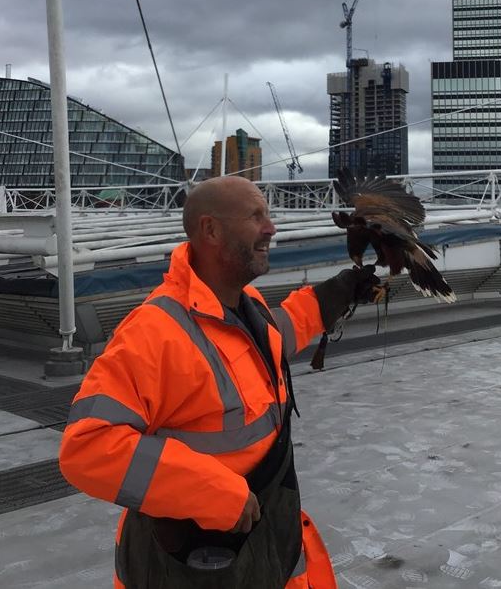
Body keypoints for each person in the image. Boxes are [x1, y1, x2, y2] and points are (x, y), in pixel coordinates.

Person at [59, 175, 380, 588]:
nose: (271, 227)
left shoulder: (246, 306)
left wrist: (333, 296)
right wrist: (215, 494)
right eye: (256, 216)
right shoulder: (155, 331)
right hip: (196, 561)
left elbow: (270, 340)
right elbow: (87, 447)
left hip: (263, 545)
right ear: (211, 230)